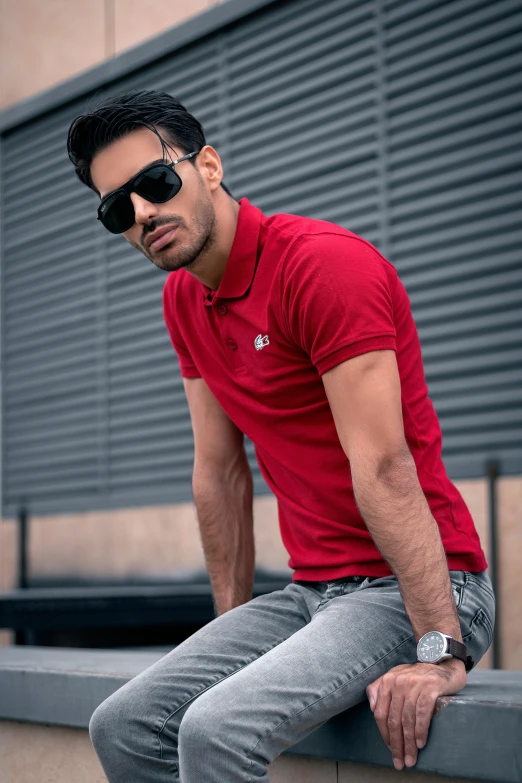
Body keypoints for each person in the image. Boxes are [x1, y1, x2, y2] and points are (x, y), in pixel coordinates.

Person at [66, 89, 494, 783]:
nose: (143, 213)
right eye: (119, 208)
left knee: (215, 729)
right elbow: (219, 472)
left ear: (207, 166)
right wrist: (231, 633)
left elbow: (383, 463)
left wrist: (439, 651)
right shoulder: (183, 300)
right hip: (310, 593)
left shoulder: (321, 265)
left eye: (155, 182)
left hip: (417, 585)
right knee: (123, 726)